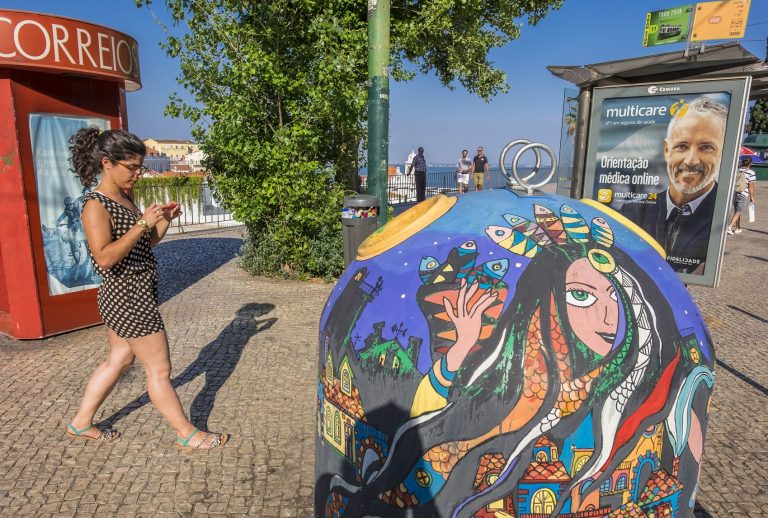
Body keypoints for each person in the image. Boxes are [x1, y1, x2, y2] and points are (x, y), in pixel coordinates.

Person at [328, 206, 712, 516]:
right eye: (582, 296)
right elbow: (427, 420)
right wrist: (461, 348)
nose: (608, 318)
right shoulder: (512, 376)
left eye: (615, 298)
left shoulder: (623, 390)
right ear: (548, 303)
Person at [65, 127, 228, 449]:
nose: (139, 174)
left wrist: (162, 221)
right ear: (108, 163)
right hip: (126, 296)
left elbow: (145, 243)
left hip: (134, 292)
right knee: (160, 369)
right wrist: (142, 223)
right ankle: (188, 433)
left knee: (119, 360)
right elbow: (104, 257)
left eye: (140, 167)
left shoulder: (124, 196)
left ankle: (80, 423)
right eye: (132, 167)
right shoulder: (95, 206)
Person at [621, 96, 727, 274]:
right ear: (666, 150)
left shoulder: (721, 213)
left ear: (723, 151)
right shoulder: (633, 211)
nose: (691, 161)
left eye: (706, 147)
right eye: (682, 146)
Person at [727, 156, 756, 235]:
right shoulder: (751, 172)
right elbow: (750, 186)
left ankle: (738, 228)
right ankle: (729, 227)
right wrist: (752, 196)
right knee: (739, 211)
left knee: (737, 211)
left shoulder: (737, 171)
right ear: (750, 164)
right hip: (743, 193)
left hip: (734, 193)